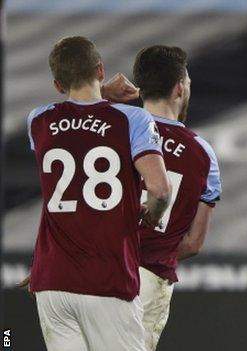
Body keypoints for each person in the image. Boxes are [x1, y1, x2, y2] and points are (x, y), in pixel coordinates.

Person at [26, 36, 171, 351]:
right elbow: (160, 189)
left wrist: (98, 93)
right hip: (107, 276)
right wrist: (152, 216)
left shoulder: (38, 120)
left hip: (52, 281)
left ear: (56, 84)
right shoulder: (132, 119)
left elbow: (73, 115)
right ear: (101, 69)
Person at [132, 45, 222, 350]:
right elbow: (194, 243)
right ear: (179, 89)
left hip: (89, 270)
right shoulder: (201, 154)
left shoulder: (111, 131)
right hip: (147, 279)